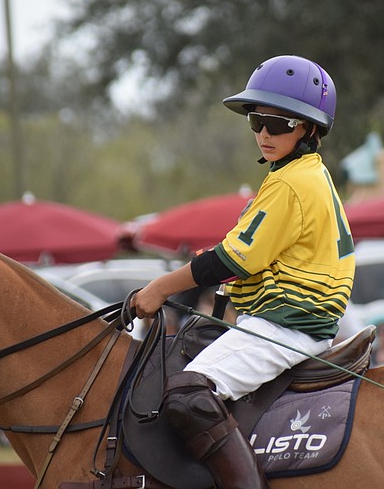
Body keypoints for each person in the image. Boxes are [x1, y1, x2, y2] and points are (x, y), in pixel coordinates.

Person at [132, 55, 354, 488]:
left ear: (309, 129)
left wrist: (159, 287)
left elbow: (233, 260)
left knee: (187, 394)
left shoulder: (290, 182)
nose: (265, 134)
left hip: (287, 326)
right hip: (288, 321)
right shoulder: (304, 173)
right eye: (257, 121)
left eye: (278, 124)